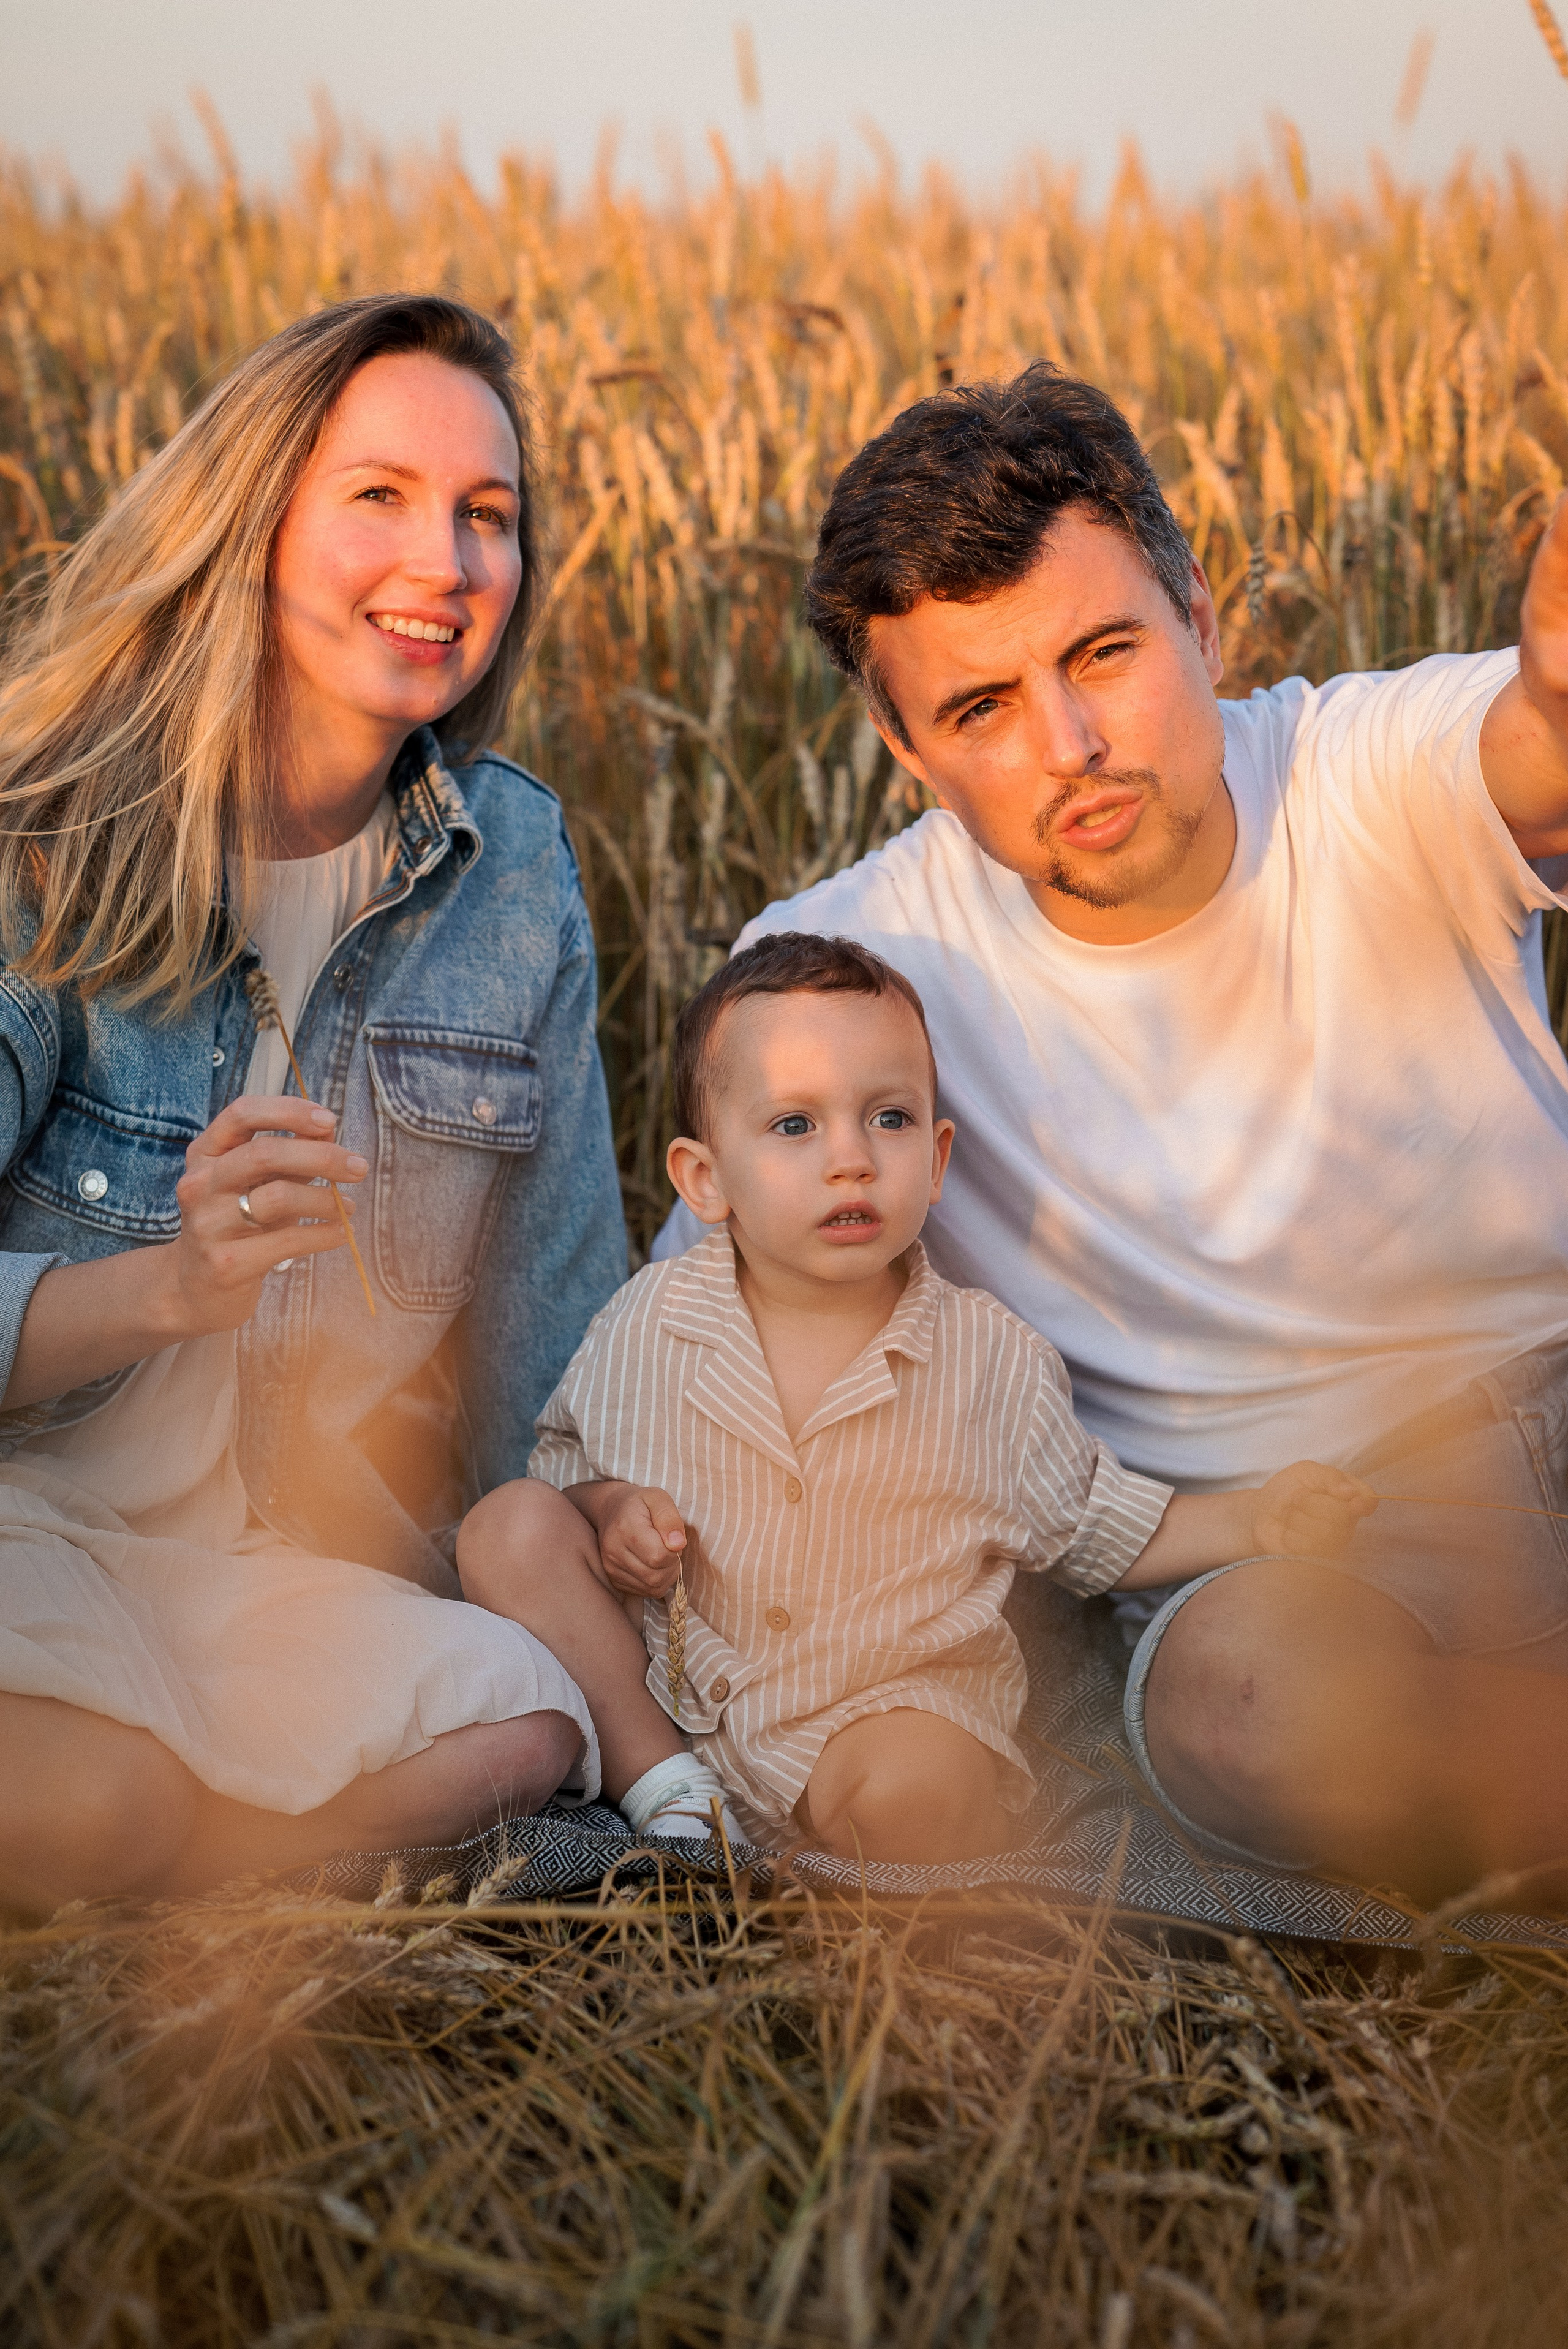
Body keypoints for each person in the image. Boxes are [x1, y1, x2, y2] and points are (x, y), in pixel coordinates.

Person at [655, 366, 1568, 1904]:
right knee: (1241, 1715)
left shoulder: (1364, 771)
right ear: (905, 751)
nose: (1069, 741)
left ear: (1200, 621)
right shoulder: (847, 978)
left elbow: (1532, 741)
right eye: (982, 708)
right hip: (1293, 1552)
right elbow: (713, 1369)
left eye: (1103, 652)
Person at [0, 294, 627, 1910]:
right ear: (257, 520)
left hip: (256, 1576)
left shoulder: (513, 872)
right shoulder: (43, 835)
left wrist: (595, 1566)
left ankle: (199, 1860)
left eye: (489, 517)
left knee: (533, 1719)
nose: (447, 562)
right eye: (381, 497)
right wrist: (171, 1286)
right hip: (19, 1531)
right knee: (85, 1790)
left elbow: (549, 1356)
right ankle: (189, 1843)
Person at [458, 933, 1375, 1863]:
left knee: (920, 1791)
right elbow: (564, 1491)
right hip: (668, 1695)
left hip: (883, 1705)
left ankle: (844, 1877)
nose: (851, 1159)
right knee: (505, 1528)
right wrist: (610, 1511)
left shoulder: (990, 1363)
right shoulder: (647, 1325)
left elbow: (1098, 1522)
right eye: (794, 1126)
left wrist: (1258, 1521)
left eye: (889, 1119)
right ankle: (668, 1791)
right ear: (706, 1180)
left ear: (936, 1161)